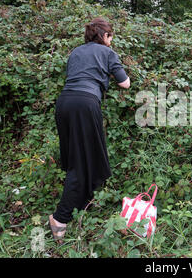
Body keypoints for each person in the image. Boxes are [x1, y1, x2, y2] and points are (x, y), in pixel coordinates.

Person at [49, 17, 130, 243]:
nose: (111, 41)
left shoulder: (75, 52)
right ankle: (60, 218)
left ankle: (84, 203)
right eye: (110, 36)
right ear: (104, 36)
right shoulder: (107, 53)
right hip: (86, 104)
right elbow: (125, 83)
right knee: (83, 161)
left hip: (64, 103)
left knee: (80, 157)